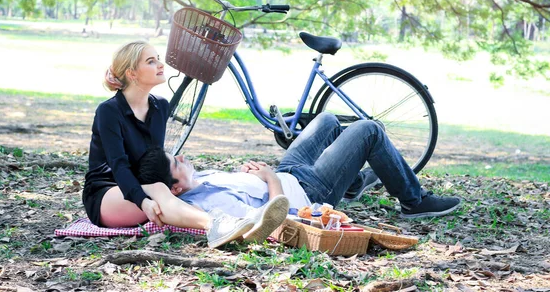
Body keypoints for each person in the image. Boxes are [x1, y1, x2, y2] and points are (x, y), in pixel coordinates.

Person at [81, 41, 288, 248]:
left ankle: (248, 222)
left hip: (146, 187)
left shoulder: (160, 106)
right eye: (151, 61)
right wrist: (144, 201)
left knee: (174, 189)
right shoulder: (109, 111)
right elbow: (119, 166)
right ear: (132, 73)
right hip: (107, 193)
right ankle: (216, 226)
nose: (161, 65)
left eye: (158, 59)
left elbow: (154, 159)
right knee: (161, 190)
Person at [138, 113, 461, 220]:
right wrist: (267, 177)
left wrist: (256, 172)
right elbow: (274, 217)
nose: (181, 157)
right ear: (176, 188)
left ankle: (350, 183)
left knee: (327, 120)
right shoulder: (208, 204)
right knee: (369, 130)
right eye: (176, 163)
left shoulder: (200, 180)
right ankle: (413, 201)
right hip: (310, 190)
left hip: (289, 170)